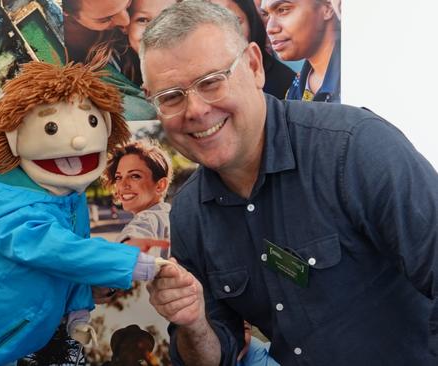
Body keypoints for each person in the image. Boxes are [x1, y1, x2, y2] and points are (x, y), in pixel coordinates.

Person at [139, 1, 438, 365]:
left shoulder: (354, 148)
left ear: (253, 66)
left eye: (211, 82)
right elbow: (213, 356)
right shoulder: (188, 214)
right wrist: (194, 323)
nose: (196, 110)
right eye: (171, 96)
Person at [0, 61, 169, 366]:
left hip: (24, 331)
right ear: (15, 138)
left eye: (93, 124)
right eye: (51, 128)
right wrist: (135, 263)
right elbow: (60, 251)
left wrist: (78, 314)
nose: (80, 141)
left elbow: (72, 257)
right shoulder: (11, 207)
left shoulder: (67, 195)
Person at [209, 0, 295, 99]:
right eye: (212, 25)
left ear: (251, 22)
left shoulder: (286, 84)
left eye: (233, 22)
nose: (222, 34)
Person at [104, 139, 172, 255]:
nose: (123, 185)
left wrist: (127, 248)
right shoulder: (171, 215)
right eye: (119, 177)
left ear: (160, 185)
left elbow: (138, 234)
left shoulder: (148, 218)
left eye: (135, 176)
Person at [262, 0, 340, 102]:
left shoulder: (356, 78)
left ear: (328, 8)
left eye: (283, 10)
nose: (270, 28)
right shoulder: (295, 89)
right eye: (266, 15)